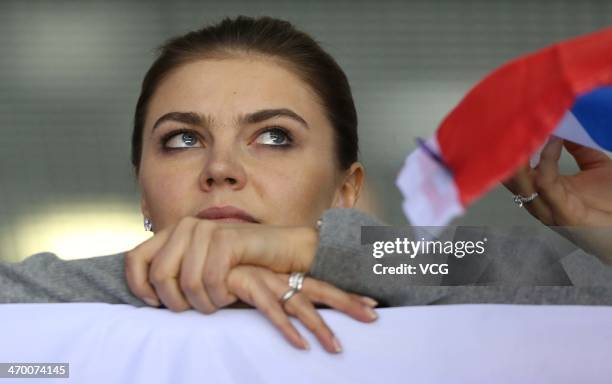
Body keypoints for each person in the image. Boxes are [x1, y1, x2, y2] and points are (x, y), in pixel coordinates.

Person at [2, 16, 612, 354]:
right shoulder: (47, 344)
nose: (221, 168)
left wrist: (311, 256)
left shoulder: (442, 295)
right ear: (142, 192)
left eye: (273, 136)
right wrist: (153, 277)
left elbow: (468, 260)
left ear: (347, 192)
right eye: (183, 139)